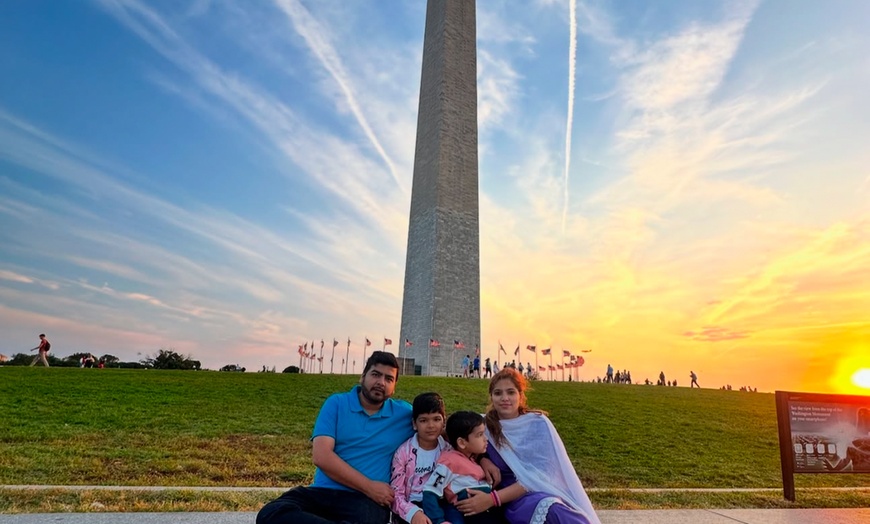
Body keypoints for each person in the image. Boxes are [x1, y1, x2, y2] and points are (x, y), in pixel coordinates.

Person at [257, 351, 413, 524]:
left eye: (388, 379)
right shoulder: (337, 403)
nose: (381, 383)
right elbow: (321, 456)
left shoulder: (405, 414)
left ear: (394, 387)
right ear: (362, 377)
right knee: (270, 514)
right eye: (375, 374)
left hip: (364, 503)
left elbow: (437, 428)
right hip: (324, 493)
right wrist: (369, 487)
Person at [455, 368, 601, 524]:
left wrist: (492, 499)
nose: (505, 398)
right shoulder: (483, 426)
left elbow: (539, 475)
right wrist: (483, 458)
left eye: (511, 392)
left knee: (555, 511)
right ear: (491, 397)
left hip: (537, 490)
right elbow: (450, 432)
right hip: (509, 502)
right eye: (498, 393)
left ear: (521, 395)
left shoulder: (538, 423)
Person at [422, 411, 496, 524]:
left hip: (486, 509)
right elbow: (430, 491)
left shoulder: (473, 457)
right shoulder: (449, 462)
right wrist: (439, 521)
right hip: (465, 513)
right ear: (462, 443)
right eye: (480, 435)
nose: (486, 439)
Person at [391, 392, 452, 524]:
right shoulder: (403, 453)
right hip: (412, 505)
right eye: (424, 420)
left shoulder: (448, 450)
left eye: (436, 419)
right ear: (414, 424)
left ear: (444, 421)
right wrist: (413, 513)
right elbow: (396, 493)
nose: (430, 426)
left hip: (441, 502)